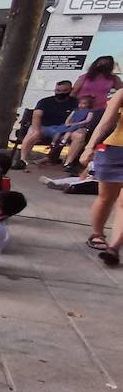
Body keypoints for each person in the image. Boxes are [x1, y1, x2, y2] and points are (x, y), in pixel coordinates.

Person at [79, 85, 123, 263]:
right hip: (114, 150)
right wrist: (90, 147)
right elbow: (106, 122)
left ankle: (114, 248)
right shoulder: (122, 93)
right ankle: (97, 233)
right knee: (105, 197)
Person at [62, 56, 123, 172]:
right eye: (100, 63)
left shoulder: (113, 79)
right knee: (82, 133)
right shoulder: (85, 77)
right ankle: (72, 161)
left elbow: (120, 91)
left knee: (96, 135)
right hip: (83, 109)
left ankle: (85, 162)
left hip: (100, 110)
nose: (102, 65)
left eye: (106, 63)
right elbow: (74, 92)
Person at [16, 81, 82, 169]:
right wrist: (37, 130)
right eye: (58, 90)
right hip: (44, 127)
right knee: (32, 133)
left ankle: (68, 163)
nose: (61, 93)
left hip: (63, 129)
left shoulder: (76, 103)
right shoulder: (45, 102)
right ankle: (22, 159)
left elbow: (81, 116)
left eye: (65, 90)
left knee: (79, 136)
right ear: (55, 90)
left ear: (71, 90)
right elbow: (36, 116)